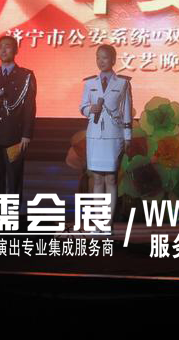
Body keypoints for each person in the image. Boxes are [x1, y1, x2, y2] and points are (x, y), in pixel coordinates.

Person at [0, 36, 36, 205]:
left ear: (16, 50)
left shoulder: (25, 76)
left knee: (14, 176)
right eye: (0, 47)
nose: (3, 50)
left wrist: (26, 135)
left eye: (8, 46)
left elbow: (30, 107)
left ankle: (12, 214)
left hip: (15, 136)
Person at [80, 45, 132, 225]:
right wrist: (90, 109)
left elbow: (126, 111)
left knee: (110, 178)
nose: (100, 61)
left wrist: (128, 136)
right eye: (98, 57)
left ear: (113, 60)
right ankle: (98, 221)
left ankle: (107, 223)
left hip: (113, 135)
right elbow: (82, 107)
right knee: (97, 179)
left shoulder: (123, 83)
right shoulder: (90, 83)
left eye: (104, 58)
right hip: (95, 135)